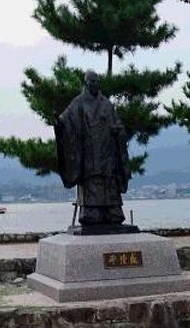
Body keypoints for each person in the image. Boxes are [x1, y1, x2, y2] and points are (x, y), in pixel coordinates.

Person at [54, 70, 132, 230]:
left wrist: (119, 132)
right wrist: (60, 125)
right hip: (89, 154)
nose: (95, 85)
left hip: (107, 154)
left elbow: (118, 125)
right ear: (86, 83)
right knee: (92, 184)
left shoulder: (107, 104)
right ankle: (91, 214)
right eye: (92, 82)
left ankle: (112, 213)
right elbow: (66, 120)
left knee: (109, 185)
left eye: (97, 82)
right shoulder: (78, 103)